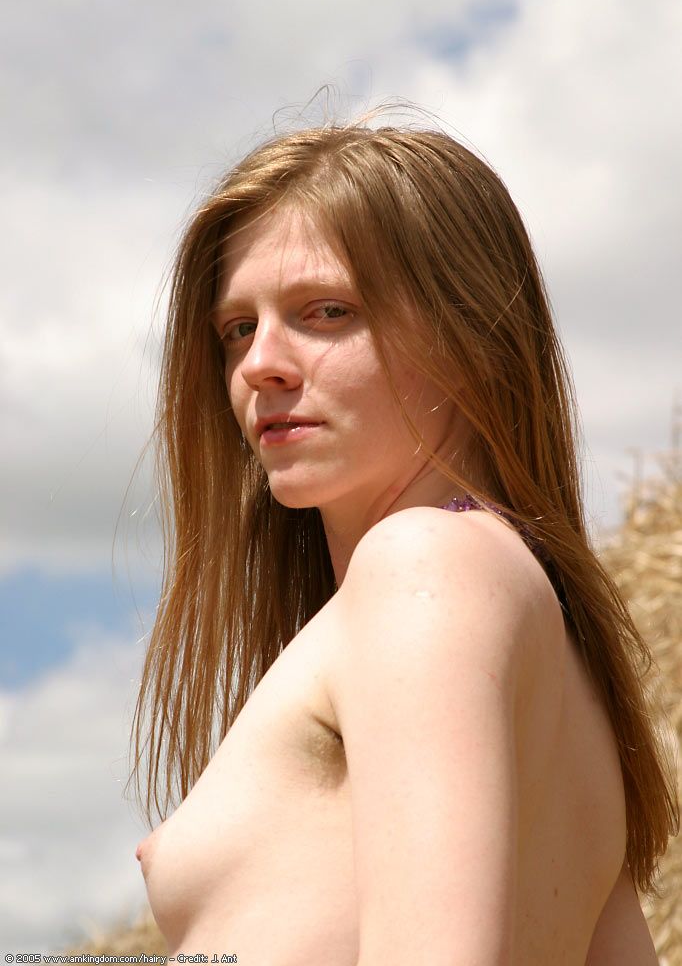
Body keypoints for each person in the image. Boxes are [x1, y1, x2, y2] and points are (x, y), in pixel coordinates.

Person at [128, 112, 678, 964]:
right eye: (237, 328)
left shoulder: (425, 564)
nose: (258, 363)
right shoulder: (560, 681)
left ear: (472, 338)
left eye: (326, 312)